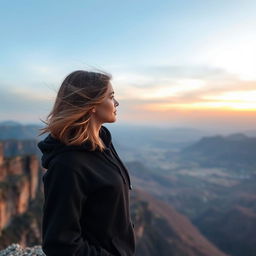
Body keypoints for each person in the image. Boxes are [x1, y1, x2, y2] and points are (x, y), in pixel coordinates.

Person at [37, 70, 136, 256]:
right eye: (111, 96)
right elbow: (59, 244)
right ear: (92, 104)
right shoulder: (68, 165)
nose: (116, 103)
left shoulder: (102, 142)